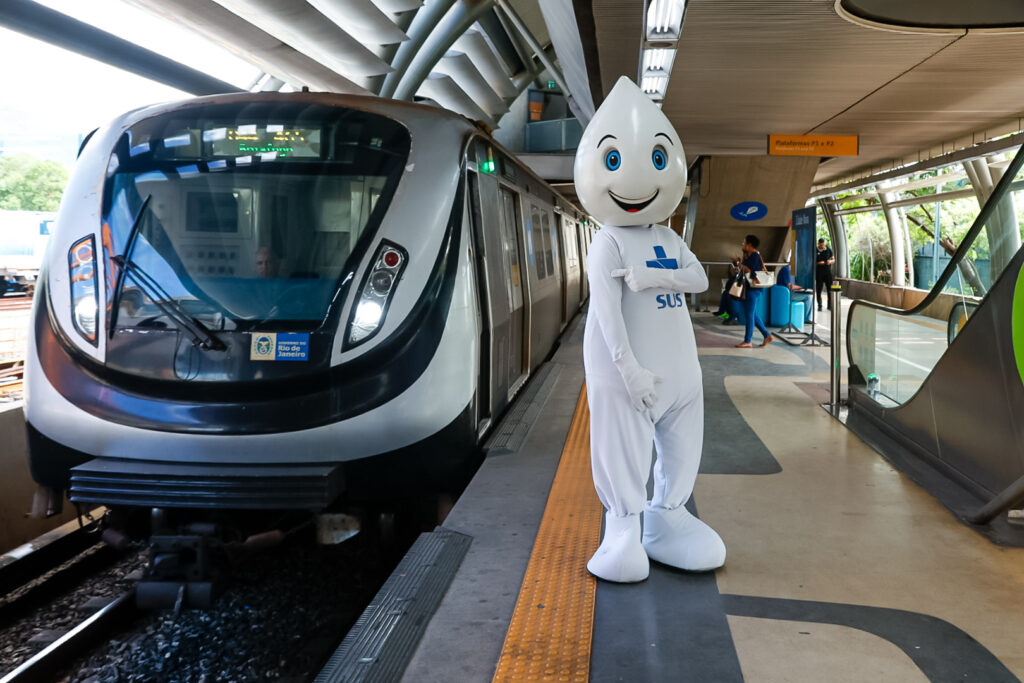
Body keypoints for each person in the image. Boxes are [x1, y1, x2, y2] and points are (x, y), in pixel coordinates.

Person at [574, 76, 725, 583]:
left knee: (683, 444)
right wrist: (628, 369)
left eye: (658, 162)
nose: (637, 181)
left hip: (681, 377)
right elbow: (606, 313)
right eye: (612, 163)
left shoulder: (667, 237)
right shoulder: (606, 244)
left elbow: (698, 277)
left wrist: (652, 277)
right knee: (624, 449)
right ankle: (623, 526)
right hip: (629, 377)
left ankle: (669, 516)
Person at [736, 234, 772, 348]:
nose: (743, 244)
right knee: (752, 313)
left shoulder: (755, 256)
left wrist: (742, 265)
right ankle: (767, 335)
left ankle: (748, 341)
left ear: (750, 245)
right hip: (749, 288)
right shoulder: (749, 255)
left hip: (753, 289)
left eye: (744, 242)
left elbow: (752, 272)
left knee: (750, 314)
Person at [815, 238, 835, 311]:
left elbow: (833, 259)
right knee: (819, 289)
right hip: (819, 273)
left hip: (828, 272)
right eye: (821, 245)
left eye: (823, 244)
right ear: (818, 244)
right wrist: (819, 263)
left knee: (830, 289)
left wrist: (830, 261)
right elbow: (813, 261)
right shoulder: (815, 250)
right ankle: (819, 305)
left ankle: (829, 305)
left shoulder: (828, 250)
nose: (822, 246)